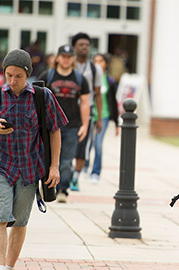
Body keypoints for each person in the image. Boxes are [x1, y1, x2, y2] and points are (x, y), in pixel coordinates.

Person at [0, 48, 68, 270]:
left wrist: (54, 167)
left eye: (18, 76)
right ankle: (0, 267)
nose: (13, 81)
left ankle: (10, 267)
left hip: (30, 169)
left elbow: (55, 130)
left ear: (28, 75)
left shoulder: (43, 97)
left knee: (20, 221)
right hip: (1, 166)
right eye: (9, 75)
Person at [39, 44, 90, 203]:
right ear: (58, 58)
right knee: (47, 158)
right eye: (63, 56)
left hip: (72, 125)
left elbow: (85, 103)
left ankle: (62, 190)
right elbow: (38, 99)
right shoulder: (48, 76)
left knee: (67, 160)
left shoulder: (80, 79)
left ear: (73, 59)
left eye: (69, 57)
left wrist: (85, 125)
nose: (66, 60)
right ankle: (48, 186)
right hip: (50, 126)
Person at [70, 32, 103, 190]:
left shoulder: (95, 69)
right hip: (68, 108)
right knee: (65, 143)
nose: (84, 48)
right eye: (81, 45)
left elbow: (98, 93)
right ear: (74, 47)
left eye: (87, 45)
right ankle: (65, 172)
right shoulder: (68, 65)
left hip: (87, 111)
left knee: (83, 146)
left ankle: (75, 177)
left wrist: (100, 117)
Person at [88, 53, 120, 183]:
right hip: (90, 115)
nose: (98, 64)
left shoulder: (110, 81)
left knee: (98, 144)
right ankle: (83, 167)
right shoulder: (88, 78)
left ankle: (96, 172)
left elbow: (113, 101)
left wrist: (117, 123)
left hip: (104, 116)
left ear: (106, 63)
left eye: (101, 61)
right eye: (95, 61)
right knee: (87, 144)